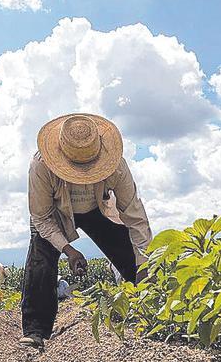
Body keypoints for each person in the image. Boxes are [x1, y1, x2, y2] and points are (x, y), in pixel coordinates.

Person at [20, 113, 153, 348]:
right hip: (55, 214)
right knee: (40, 260)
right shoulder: (41, 166)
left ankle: (150, 307)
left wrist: (143, 265)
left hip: (98, 210)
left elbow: (136, 217)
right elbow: (41, 217)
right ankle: (36, 329)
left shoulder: (116, 166)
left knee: (130, 255)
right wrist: (69, 250)